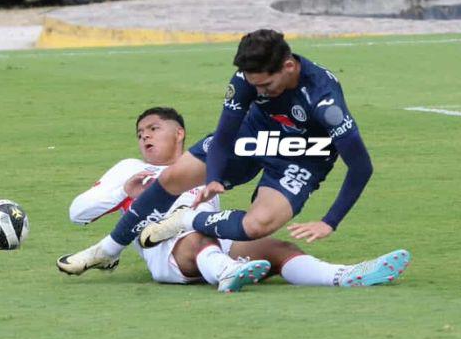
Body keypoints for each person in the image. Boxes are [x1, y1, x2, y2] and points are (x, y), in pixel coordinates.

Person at [60, 29, 409, 283]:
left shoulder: (324, 101)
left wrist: (329, 221)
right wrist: (213, 177)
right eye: (253, 85)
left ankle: (189, 220)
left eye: (265, 86)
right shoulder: (245, 79)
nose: (258, 91)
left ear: (289, 67)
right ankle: (107, 251)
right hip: (253, 134)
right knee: (172, 177)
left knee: (259, 226)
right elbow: (225, 134)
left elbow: (361, 166)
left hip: (302, 154)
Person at [58, 105, 407, 290]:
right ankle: (228, 272)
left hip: (215, 241)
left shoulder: (203, 163)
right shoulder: (131, 168)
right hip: (167, 255)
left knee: (277, 248)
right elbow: (77, 212)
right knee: (197, 237)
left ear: (179, 134)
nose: (145, 137)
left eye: (153, 129)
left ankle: (344, 276)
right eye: (140, 133)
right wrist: (123, 192)